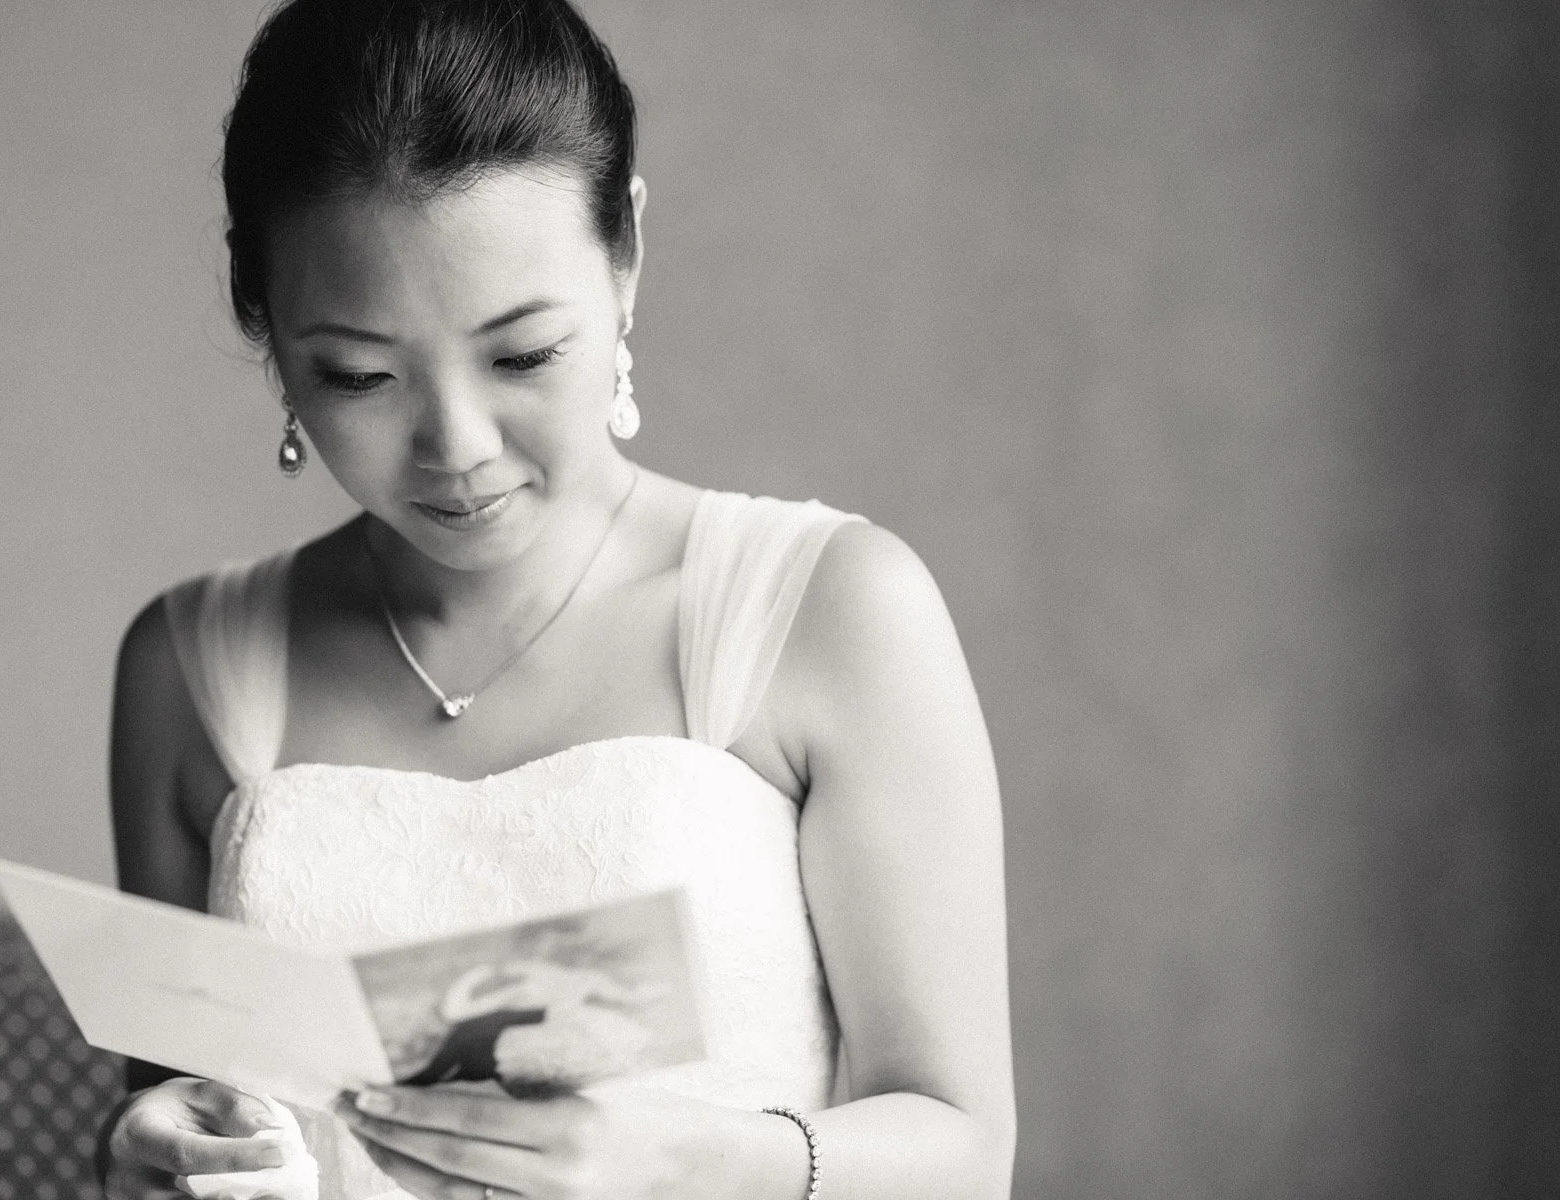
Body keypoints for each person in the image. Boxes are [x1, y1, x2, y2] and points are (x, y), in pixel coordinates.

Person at [96, 0, 1015, 1196]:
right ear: (263, 321)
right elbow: (177, 1115)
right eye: (359, 375)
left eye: (523, 354)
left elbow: (968, 1153)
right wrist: (145, 1158)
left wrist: (688, 1164)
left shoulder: (830, 609)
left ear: (625, 251)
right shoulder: (190, 667)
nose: (456, 447)